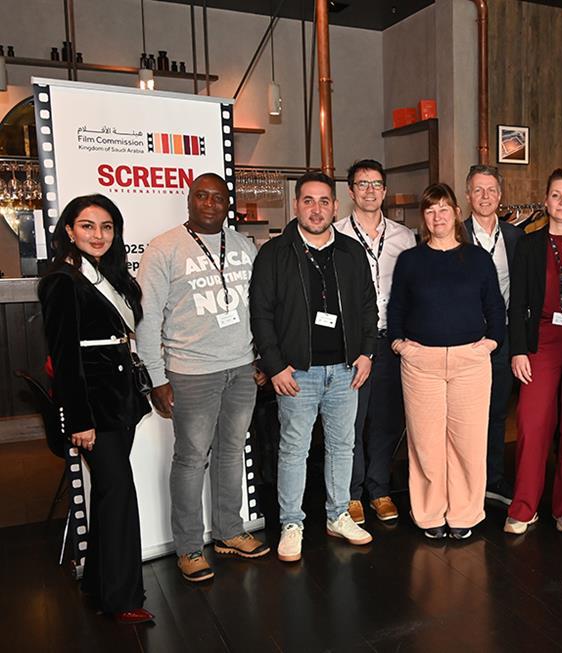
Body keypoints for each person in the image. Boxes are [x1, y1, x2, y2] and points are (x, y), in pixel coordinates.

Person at [136, 173, 270, 583]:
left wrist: (261, 356)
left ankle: (229, 531)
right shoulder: (164, 248)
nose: (210, 203)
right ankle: (190, 546)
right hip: (191, 372)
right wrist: (157, 377)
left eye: (218, 197)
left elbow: (259, 306)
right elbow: (148, 319)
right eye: (201, 196)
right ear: (189, 201)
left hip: (242, 368)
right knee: (192, 459)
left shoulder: (244, 245)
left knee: (232, 452)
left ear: (228, 204)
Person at [250, 171, 378, 561]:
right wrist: (274, 367)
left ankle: (338, 514)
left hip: (344, 369)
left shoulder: (351, 252)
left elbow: (367, 306)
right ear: (296, 205)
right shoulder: (275, 253)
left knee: (342, 445)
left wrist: (366, 352)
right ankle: (292, 522)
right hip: (296, 373)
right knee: (294, 449)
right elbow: (261, 314)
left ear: (335, 207)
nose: (316, 209)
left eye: (324, 201)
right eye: (308, 201)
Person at [38, 195, 153, 624]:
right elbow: (64, 358)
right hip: (93, 410)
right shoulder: (62, 281)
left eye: (106, 226)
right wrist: (79, 419)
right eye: (87, 226)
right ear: (69, 230)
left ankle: (97, 581)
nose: (98, 235)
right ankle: (122, 598)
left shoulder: (110, 275)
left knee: (108, 493)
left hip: (121, 402)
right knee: (119, 494)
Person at [387, 183, 506, 540]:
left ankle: (465, 513)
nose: (437, 216)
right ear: (423, 218)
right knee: (425, 442)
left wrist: (491, 343)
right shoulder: (410, 260)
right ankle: (428, 514)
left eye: (443, 208)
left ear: (456, 212)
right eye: (430, 210)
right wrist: (399, 344)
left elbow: (495, 307)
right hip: (421, 362)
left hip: (470, 361)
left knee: (468, 442)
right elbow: (397, 307)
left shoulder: (478, 259)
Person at [505, 169, 562, 534]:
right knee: (532, 423)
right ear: (545, 200)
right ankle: (524, 506)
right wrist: (518, 350)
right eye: (556, 195)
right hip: (540, 340)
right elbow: (517, 301)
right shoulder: (528, 243)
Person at [335, 159, 416, 526]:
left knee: (386, 419)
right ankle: (350, 494)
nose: (370, 190)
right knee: (349, 420)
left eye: (376, 184)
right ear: (350, 191)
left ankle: (379, 488)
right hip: (351, 343)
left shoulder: (404, 237)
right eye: (362, 184)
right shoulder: (335, 235)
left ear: (384, 190)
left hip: (392, 341)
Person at [463, 164, 522, 506]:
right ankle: (465, 482)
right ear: (468, 195)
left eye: (491, 190)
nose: (485, 196)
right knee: (464, 416)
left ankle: (493, 479)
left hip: (501, 341)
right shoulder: (454, 234)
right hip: (462, 342)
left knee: (497, 414)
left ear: (500, 197)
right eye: (478, 190)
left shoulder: (515, 237)